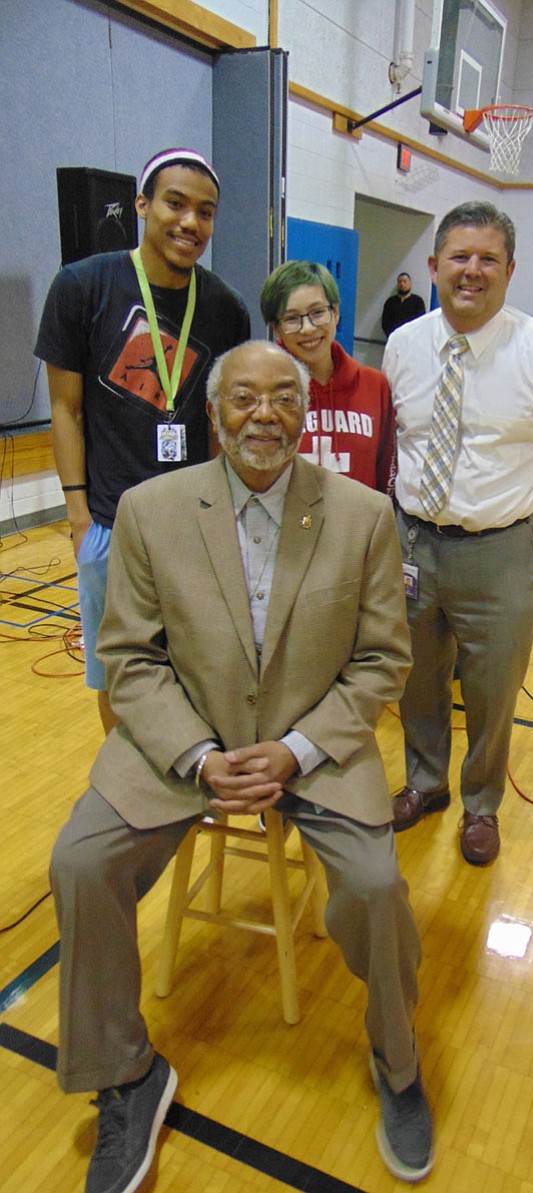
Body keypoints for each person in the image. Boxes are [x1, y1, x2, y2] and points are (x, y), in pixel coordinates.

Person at [49, 341, 434, 1192]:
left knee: (376, 886)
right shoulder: (150, 511)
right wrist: (197, 753)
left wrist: (296, 748)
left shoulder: (365, 513)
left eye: (284, 399)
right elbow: (131, 657)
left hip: (313, 745)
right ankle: (127, 1073)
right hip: (187, 741)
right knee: (79, 862)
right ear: (213, 413)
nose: (265, 415)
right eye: (244, 399)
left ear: (305, 411)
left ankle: (397, 1061)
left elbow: (380, 662)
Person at [383, 201, 533, 865]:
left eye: (487, 259)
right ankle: (426, 781)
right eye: (459, 257)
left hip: (501, 550)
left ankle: (481, 802)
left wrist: (516, 522)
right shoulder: (403, 346)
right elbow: (398, 444)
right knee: (417, 676)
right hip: (411, 541)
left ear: (509, 268)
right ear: (433, 265)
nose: (471, 271)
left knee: (493, 686)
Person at [35, 147, 250, 734]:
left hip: (193, 526)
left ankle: (187, 779)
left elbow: (218, 426)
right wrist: (80, 517)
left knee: (193, 670)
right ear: (142, 205)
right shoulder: (82, 286)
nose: (190, 223)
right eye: (175, 204)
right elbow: (65, 408)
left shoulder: (225, 308)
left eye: (205, 212)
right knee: (116, 674)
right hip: (110, 522)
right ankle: (128, 789)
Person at [260, 260, 396, 495]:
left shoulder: (375, 386)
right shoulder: (262, 393)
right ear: (276, 328)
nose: (308, 328)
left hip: (358, 529)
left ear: (336, 313)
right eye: (292, 319)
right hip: (288, 529)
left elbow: (384, 476)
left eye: (318, 313)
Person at [381, 273, 426, 339]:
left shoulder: (418, 301)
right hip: (394, 339)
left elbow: (420, 322)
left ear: (410, 284)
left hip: (411, 340)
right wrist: (392, 336)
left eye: (405, 281)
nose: (402, 284)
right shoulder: (390, 302)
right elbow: (385, 322)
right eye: (400, 282)